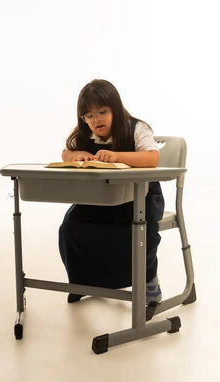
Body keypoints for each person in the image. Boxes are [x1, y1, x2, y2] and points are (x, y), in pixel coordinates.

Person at [58, 79, 164, 304]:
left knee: (139, 230)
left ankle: (148, 281)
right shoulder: (84, 135)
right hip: (104, 197)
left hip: (140, 198)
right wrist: (73, 156)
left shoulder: (136, 128)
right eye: (89, 115)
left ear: (115, 108)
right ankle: (83, 280)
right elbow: (65, 152)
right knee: (71, 225)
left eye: (102, 112)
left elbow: (152, 158)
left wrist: (118, 156)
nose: (96, 120)